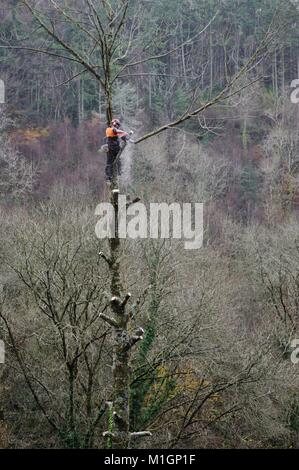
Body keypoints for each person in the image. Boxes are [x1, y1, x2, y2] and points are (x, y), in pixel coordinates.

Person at [105, 118, 129, 182]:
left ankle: (119, 173)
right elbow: (115, 131)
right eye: (116, 124)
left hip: (116, 149)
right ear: (113, 124)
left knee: (118, 161)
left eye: (118, 125)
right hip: (110, 149)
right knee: (109, 163)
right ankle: (108, 177)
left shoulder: (116, 132)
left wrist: (126, 137)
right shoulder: (109, 130)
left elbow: (121, 135)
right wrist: (124, 132)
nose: (117, 126)